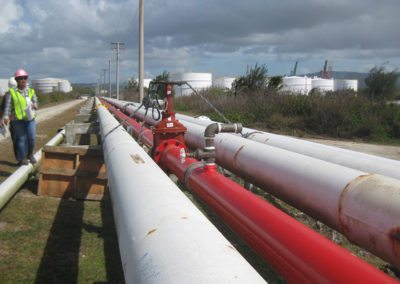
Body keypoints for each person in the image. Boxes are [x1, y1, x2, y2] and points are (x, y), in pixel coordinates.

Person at [3, 69, 38, 166]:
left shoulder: (31, 91)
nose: (23, 80)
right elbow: (8, 106)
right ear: (17, 80)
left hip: (30, 119)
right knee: (21, 140)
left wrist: (35, 105)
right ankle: (22, 158)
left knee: (31, 138)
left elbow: (36, 101)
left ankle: (30, 155)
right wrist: (5, 116)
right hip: (17, 120)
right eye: (20, 78)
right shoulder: (12, 92)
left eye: (25, 78)